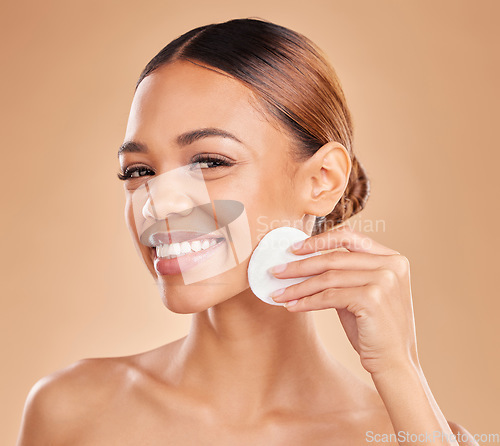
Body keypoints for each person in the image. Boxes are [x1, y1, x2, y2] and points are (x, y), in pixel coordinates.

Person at [17, 18, 478, 445]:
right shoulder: (73, 412)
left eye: (210, 162)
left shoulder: (411, 430)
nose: (158, 202)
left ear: (322, 181)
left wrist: (400, 370)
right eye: (138, 170)